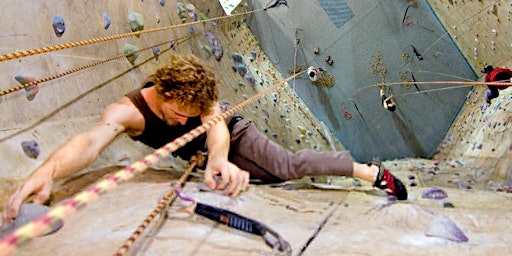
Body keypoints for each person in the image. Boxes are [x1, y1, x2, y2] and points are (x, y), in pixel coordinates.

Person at [3, 54, 407, 225]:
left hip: (235, 136)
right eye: (180, 112)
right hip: (211, 155)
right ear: (162, 89)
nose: (184, 120)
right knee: (271, 181)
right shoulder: (126, 112)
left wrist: (218, 158)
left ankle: (365, 171)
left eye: (191, 115)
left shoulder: (201, 103)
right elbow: (90, 143)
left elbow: (215, 125)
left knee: (286, 167)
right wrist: (48, 171)